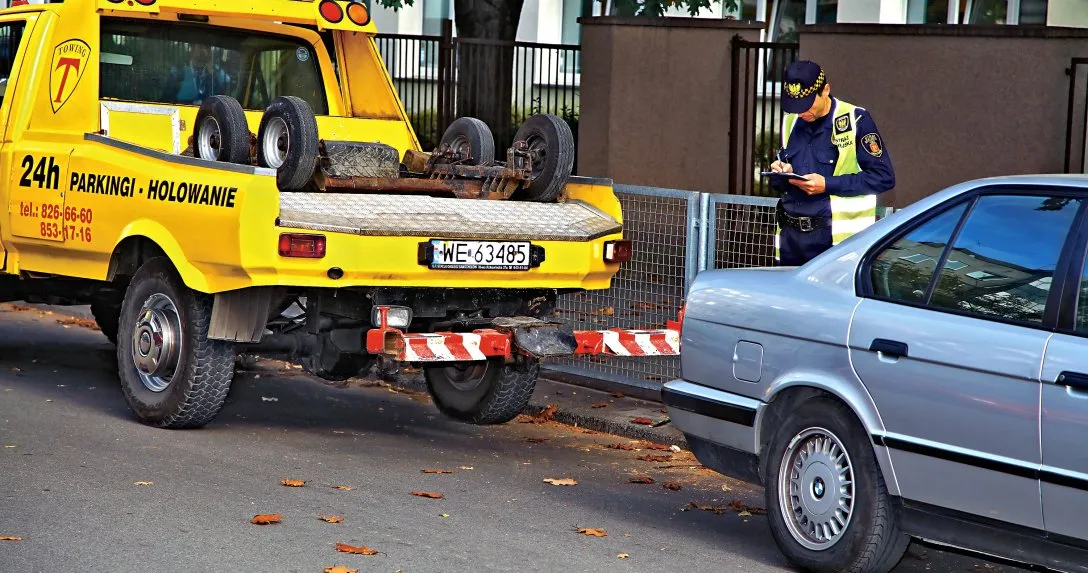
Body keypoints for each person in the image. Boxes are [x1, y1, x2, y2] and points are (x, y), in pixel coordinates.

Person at [768, 60, 895, 266]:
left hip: (836, 243)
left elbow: (883, 177)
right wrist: (781, 173)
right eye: (796, 106)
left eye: (807, 104)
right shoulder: (791, 122)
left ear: (825, 90)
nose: (801, 112)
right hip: (790, 239)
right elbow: (783, 184)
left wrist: (827, 185)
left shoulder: (855, 120)